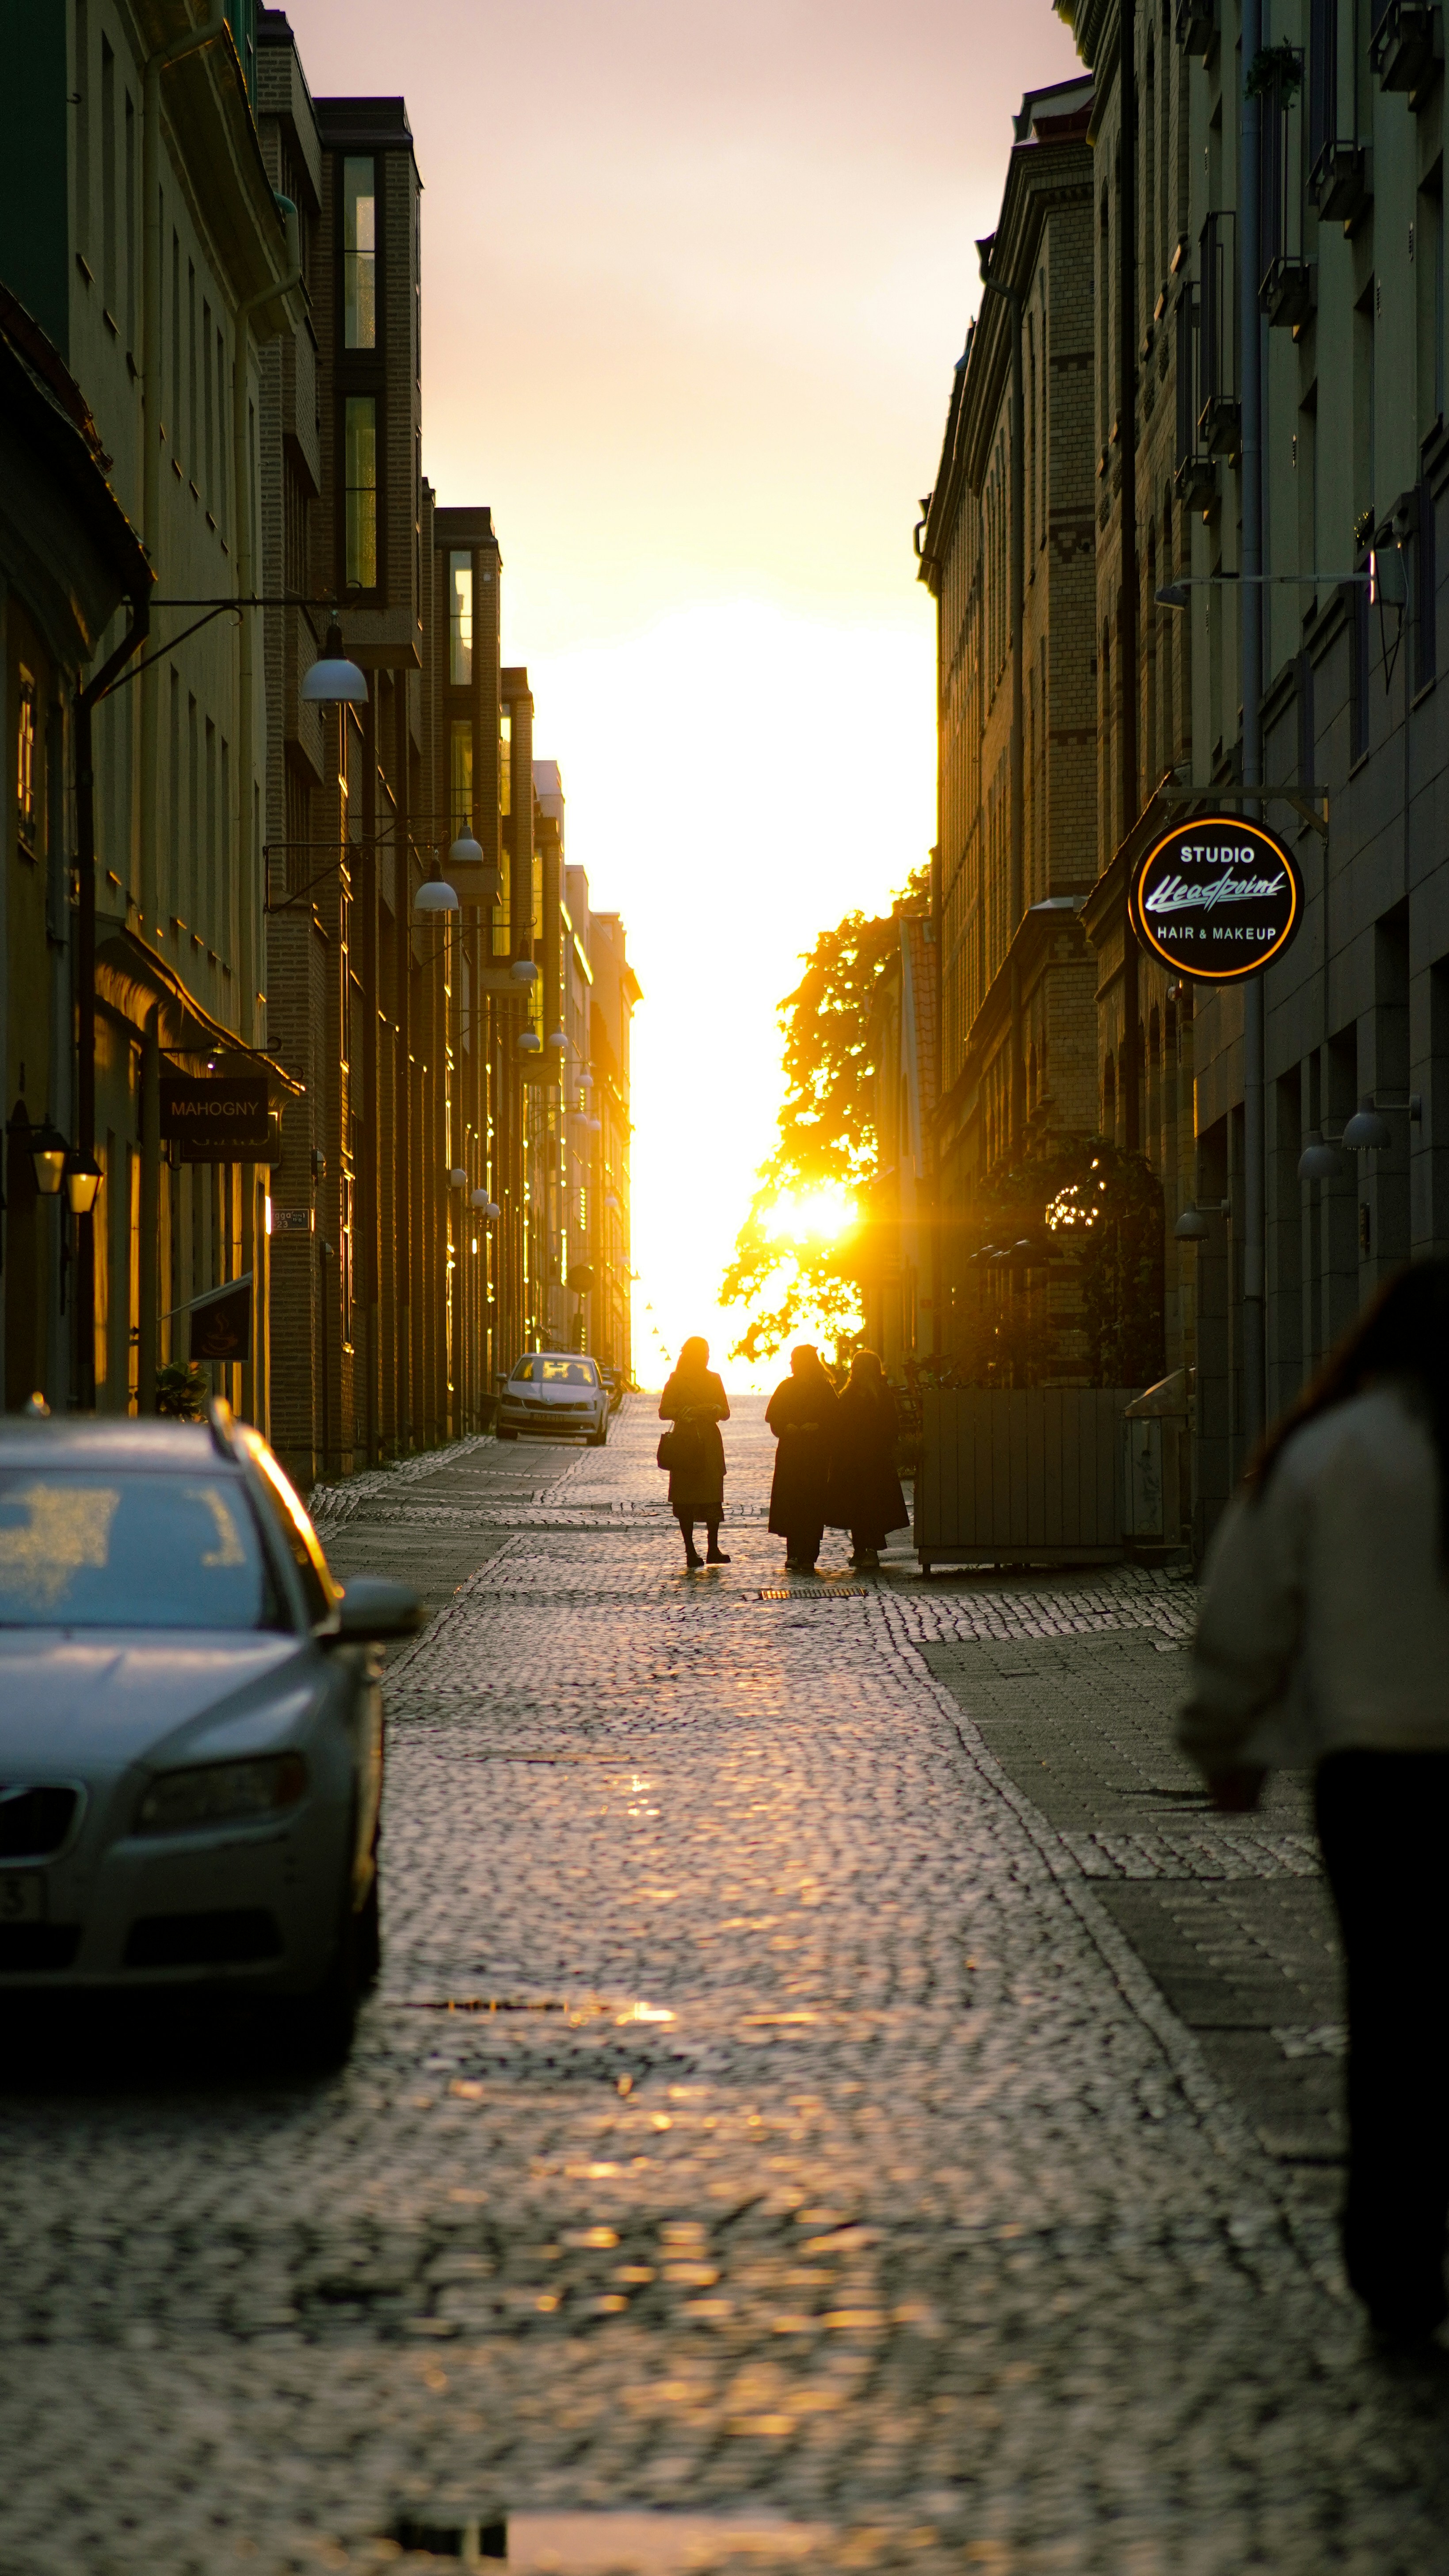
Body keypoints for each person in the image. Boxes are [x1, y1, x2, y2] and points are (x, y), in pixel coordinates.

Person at [1179, 1258, 1449, 2345]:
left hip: (1375, 1774)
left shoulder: (1325, 1450)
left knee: (1392, 2021)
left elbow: (1245, 1612)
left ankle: (1395, 2274)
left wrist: (1224, 1740)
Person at [830, 1347, 908, 1569]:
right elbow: (893, 1427)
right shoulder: (880, 1395)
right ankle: (867, 1550)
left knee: (859, 1505)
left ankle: (864, 1550)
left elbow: (839, 1427)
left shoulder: (849, 1395)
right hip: (873, 1459)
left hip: (856, 1459)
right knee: (870, 1505)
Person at [658, 1337, 730, 1570]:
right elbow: (663, 1411)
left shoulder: (715, 1378)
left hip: (709, 1442)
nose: (708, 1356)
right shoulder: (677, 1379)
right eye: (704, 1352)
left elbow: (726, 1411)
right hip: (686, 1442)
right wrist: (683, 1412)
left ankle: (713, 1549)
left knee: (712, 1497)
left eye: (709, 1352)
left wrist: (715, 1409)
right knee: (686, 1498)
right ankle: (690, 1551)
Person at [766, 1343, 839, 1574]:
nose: (792, 1364)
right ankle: (795, 1553)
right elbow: (773, 1417)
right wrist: (786, 1427)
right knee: (793, 1501)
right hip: (792, 1452)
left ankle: (808, 1554)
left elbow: (836, 1419)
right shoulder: (787, 1387)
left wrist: (818, 1426)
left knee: (811, 1502)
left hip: (814, 1454)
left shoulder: (824, 1389)